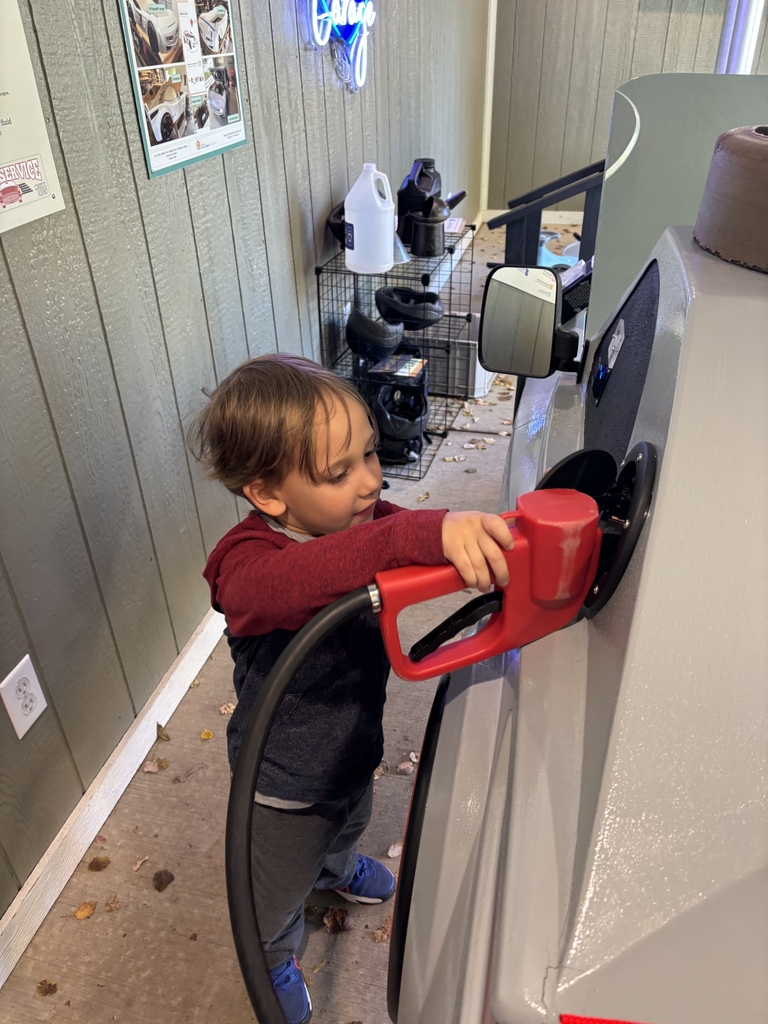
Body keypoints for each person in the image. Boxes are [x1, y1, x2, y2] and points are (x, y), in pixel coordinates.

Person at [189, 353, 513, 1024]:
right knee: (274, 888)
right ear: (269, 495)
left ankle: (335, 871)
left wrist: (461, 535)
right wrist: (407, 535)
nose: (371, 482)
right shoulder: (246, 566)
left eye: (371, 454)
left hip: (350, 745)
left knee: (351, 819)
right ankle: (275, 952)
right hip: (281, 783)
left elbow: (400, 538)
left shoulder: (356, 520)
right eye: (341, 472)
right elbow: (315, 575)